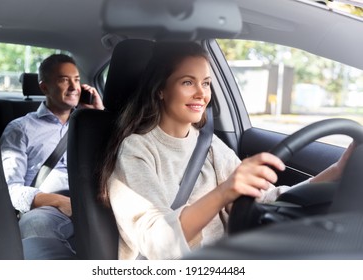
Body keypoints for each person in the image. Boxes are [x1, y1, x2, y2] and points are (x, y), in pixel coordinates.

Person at [99, 41, 355, 260]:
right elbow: (158, 242)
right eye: (188, 82)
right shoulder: (136, 151)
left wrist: (336, 171)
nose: (202, 93)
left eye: (207, 83)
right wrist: (225, 192)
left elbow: (267, 200)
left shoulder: (208, 145)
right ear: (161, 90)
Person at [0, 54, 104, 259]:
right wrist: (59, 201)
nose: (74, 87)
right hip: (48, 209)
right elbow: (10, 190)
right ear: (44, 87)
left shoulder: (93, 124)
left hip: (97, 202)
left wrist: (99, 116)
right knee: (35, 224)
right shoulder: (20, 128)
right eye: (64, 80)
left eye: (76, 79)